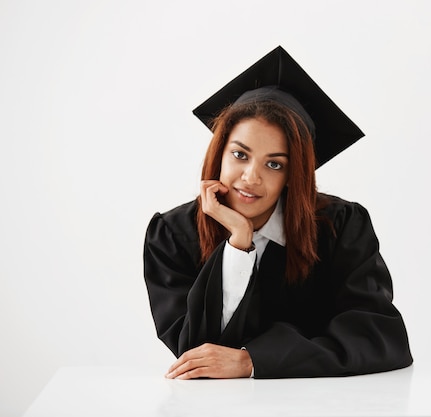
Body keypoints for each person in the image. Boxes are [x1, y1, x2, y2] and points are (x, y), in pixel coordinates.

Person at [143, 46, 413, 379]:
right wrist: (239, 244)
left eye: (274, 164)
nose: (251, 177)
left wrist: (253, 360)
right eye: (240, 155)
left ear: (292, 175)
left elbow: (380, 339)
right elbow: (197, 355)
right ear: (220, 152)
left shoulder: (340, 227)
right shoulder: (171, 236)